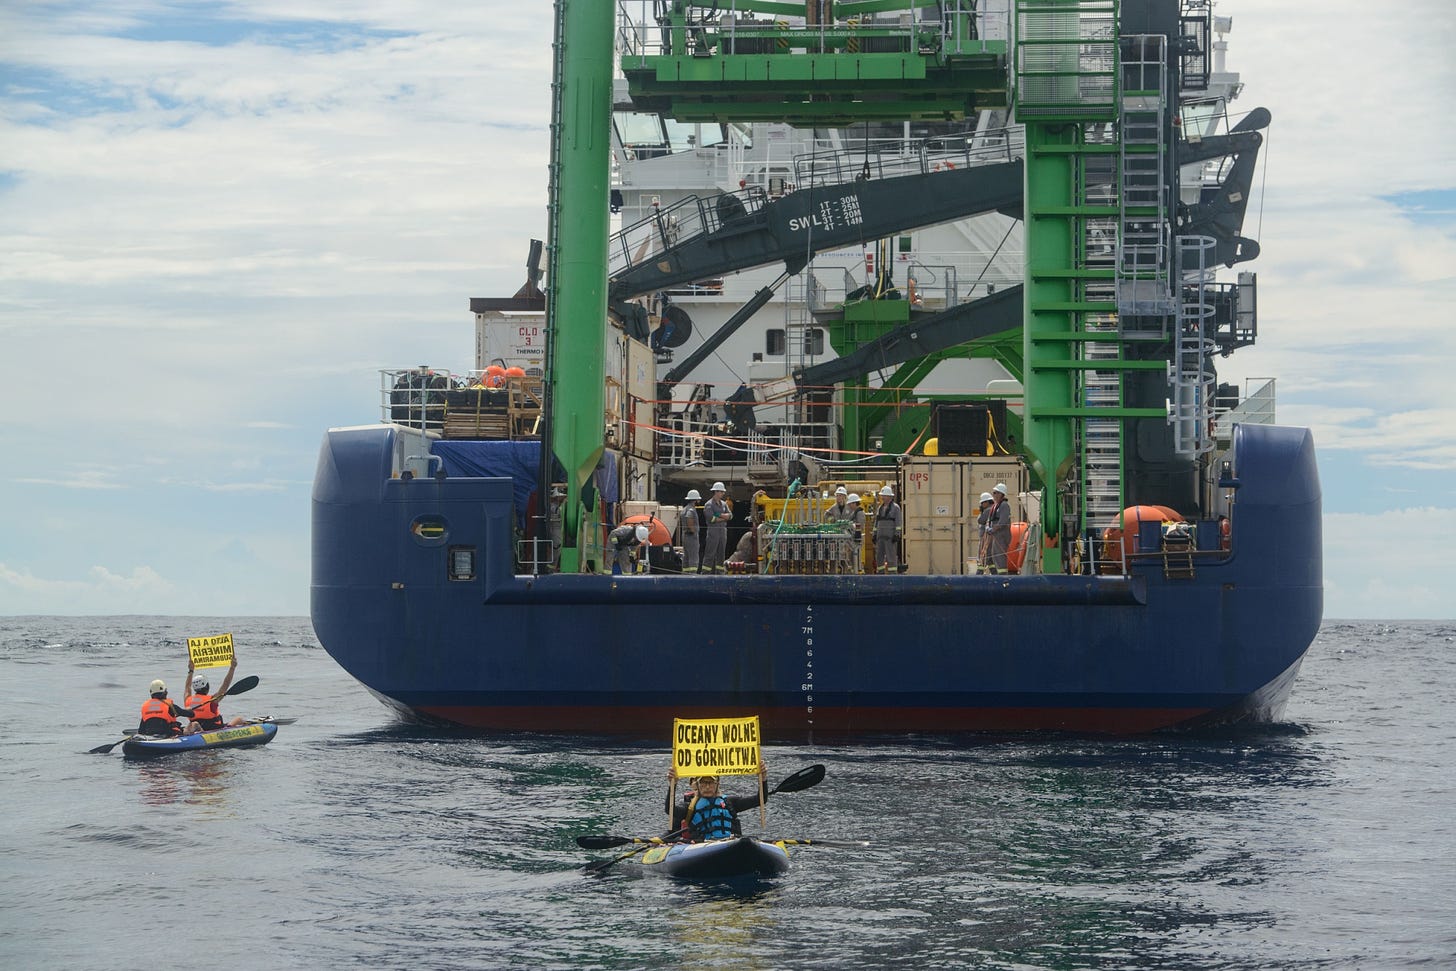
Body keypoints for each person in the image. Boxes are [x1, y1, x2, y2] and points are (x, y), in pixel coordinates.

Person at [666, 763, 769, 841]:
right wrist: (672, 785)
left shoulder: (730, 802)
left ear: (717, 784)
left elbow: (760, 799)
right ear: (697, 785)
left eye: (711, 783)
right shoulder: (690, 808)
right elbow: (669, 809)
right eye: (703, 783)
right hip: (703, 847)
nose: (707, 787)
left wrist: (763, 778)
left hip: (730, 842)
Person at [183, 657, 247, 733]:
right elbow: (225, 685)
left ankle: (194, 730)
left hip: (198, 729)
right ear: (207, 686)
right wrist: (232, 668)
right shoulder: (213, 700)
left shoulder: (187, 700)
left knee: (194, 724)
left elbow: (187, 687)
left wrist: (191, 670)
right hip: (215, 730)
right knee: (239, 719)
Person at [702, 482, 731, 574]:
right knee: (710, 554)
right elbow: (712, 519)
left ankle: (720, 573)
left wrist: (719, 515)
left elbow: (730, 516)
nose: (723, 493)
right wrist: (724, 517)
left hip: (722, 533)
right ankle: (705, 574)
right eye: (722, 492)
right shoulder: (709, 505)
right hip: (713, 533)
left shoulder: (724, 504)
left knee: (721, 554)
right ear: (716, 492)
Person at [873, 485, 902, 573]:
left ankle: (892, 575)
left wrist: (897, 534)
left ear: (889, 496)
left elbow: (898, 522)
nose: (882, 497)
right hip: (880, 537)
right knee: (879, 557)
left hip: (890, 538)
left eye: (884, 496)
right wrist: (874, 534)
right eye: (882, 495)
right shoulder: (880, 508)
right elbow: (876, 522)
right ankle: (880, 574)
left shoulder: (895, 508)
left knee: (891, 557)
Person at [985, 483, 1012, 574]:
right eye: (993, 493)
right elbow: (989, 519)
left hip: (1001, 536)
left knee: (999, 556)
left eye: (995, 493)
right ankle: (995, 574)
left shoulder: (1004, 505)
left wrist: (993, 529)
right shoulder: (995, 506)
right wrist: (988, 528)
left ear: (1001, 494)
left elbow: (1003, 521)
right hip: (995, 535)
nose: (994, 495)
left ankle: (1003, 577)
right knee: (993, 555)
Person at [680, 489, 702, 573]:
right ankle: (693, 575)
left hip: (685, 536)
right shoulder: (691, 510)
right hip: (691, 537)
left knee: (686, 556)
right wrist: (693, 530)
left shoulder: (685, 509)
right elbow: (689, 519)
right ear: (695, 500)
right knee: (693, 556)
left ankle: (685, 574)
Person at [975, 491, 994, 573]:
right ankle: (995, 574)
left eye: (983, 502)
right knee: (990, 558)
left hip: (985, 538)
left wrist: (981, 512)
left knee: (982, 557)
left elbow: (980, 520)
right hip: (990, 538)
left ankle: (979, 574)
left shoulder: (987, 510)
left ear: (987, 502)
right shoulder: (994, 509)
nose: (981, 505)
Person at [846, 493, 865, 570]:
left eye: (850, 504)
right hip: (853, 539)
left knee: (856, 557)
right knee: (852, 557)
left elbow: (860, 526)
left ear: (855, 503)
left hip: (857, 539)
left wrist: (850, 525)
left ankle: (858, 570)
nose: (849, 506)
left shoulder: (859, 513)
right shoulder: (854, 512)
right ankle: (855, 570)